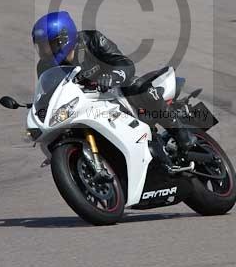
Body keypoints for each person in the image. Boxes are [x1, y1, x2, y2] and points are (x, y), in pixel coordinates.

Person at [32, 11, 194, 169]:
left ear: (64, 38)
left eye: (48, 45)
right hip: (84, 103)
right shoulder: (45, 66)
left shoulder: (91, 40)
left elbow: (124, 63)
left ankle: (182, 135)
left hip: (114, 90)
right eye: (41, 46)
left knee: (139, 87)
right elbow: (50, 92)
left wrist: (111, 76)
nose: (45, 51)